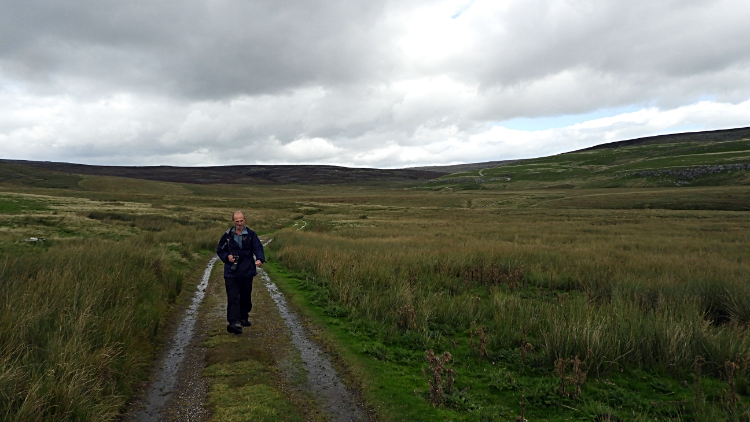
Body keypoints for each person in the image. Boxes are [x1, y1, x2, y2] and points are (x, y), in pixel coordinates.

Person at [215, 211, 265, 334]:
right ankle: (234, 322)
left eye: (241, 221)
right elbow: (220, 250)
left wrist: (259, 259)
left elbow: (258, 248)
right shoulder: (227, 235)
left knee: (245, 297)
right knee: (233, 297)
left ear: (245, 220)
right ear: (233, 221)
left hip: (247, 271)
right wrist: (227, 257)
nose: (239, 223)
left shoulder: (251, 235)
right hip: (231, 272)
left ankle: (243, 317)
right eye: (237, 221)